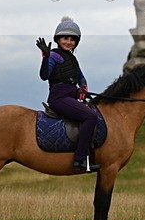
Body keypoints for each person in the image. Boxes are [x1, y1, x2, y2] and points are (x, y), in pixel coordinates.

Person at [35, 16, 100, 172]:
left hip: (71, 96)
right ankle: (79, 160)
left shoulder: (73, 59)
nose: (68, 42)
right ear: (58, 39)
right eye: (65, 38)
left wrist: (83, 89)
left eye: (72, 39)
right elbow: (44, 76)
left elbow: (81, 78)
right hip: (59, 98)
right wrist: (45, 56)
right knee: (90, 117)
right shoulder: (53, 55)